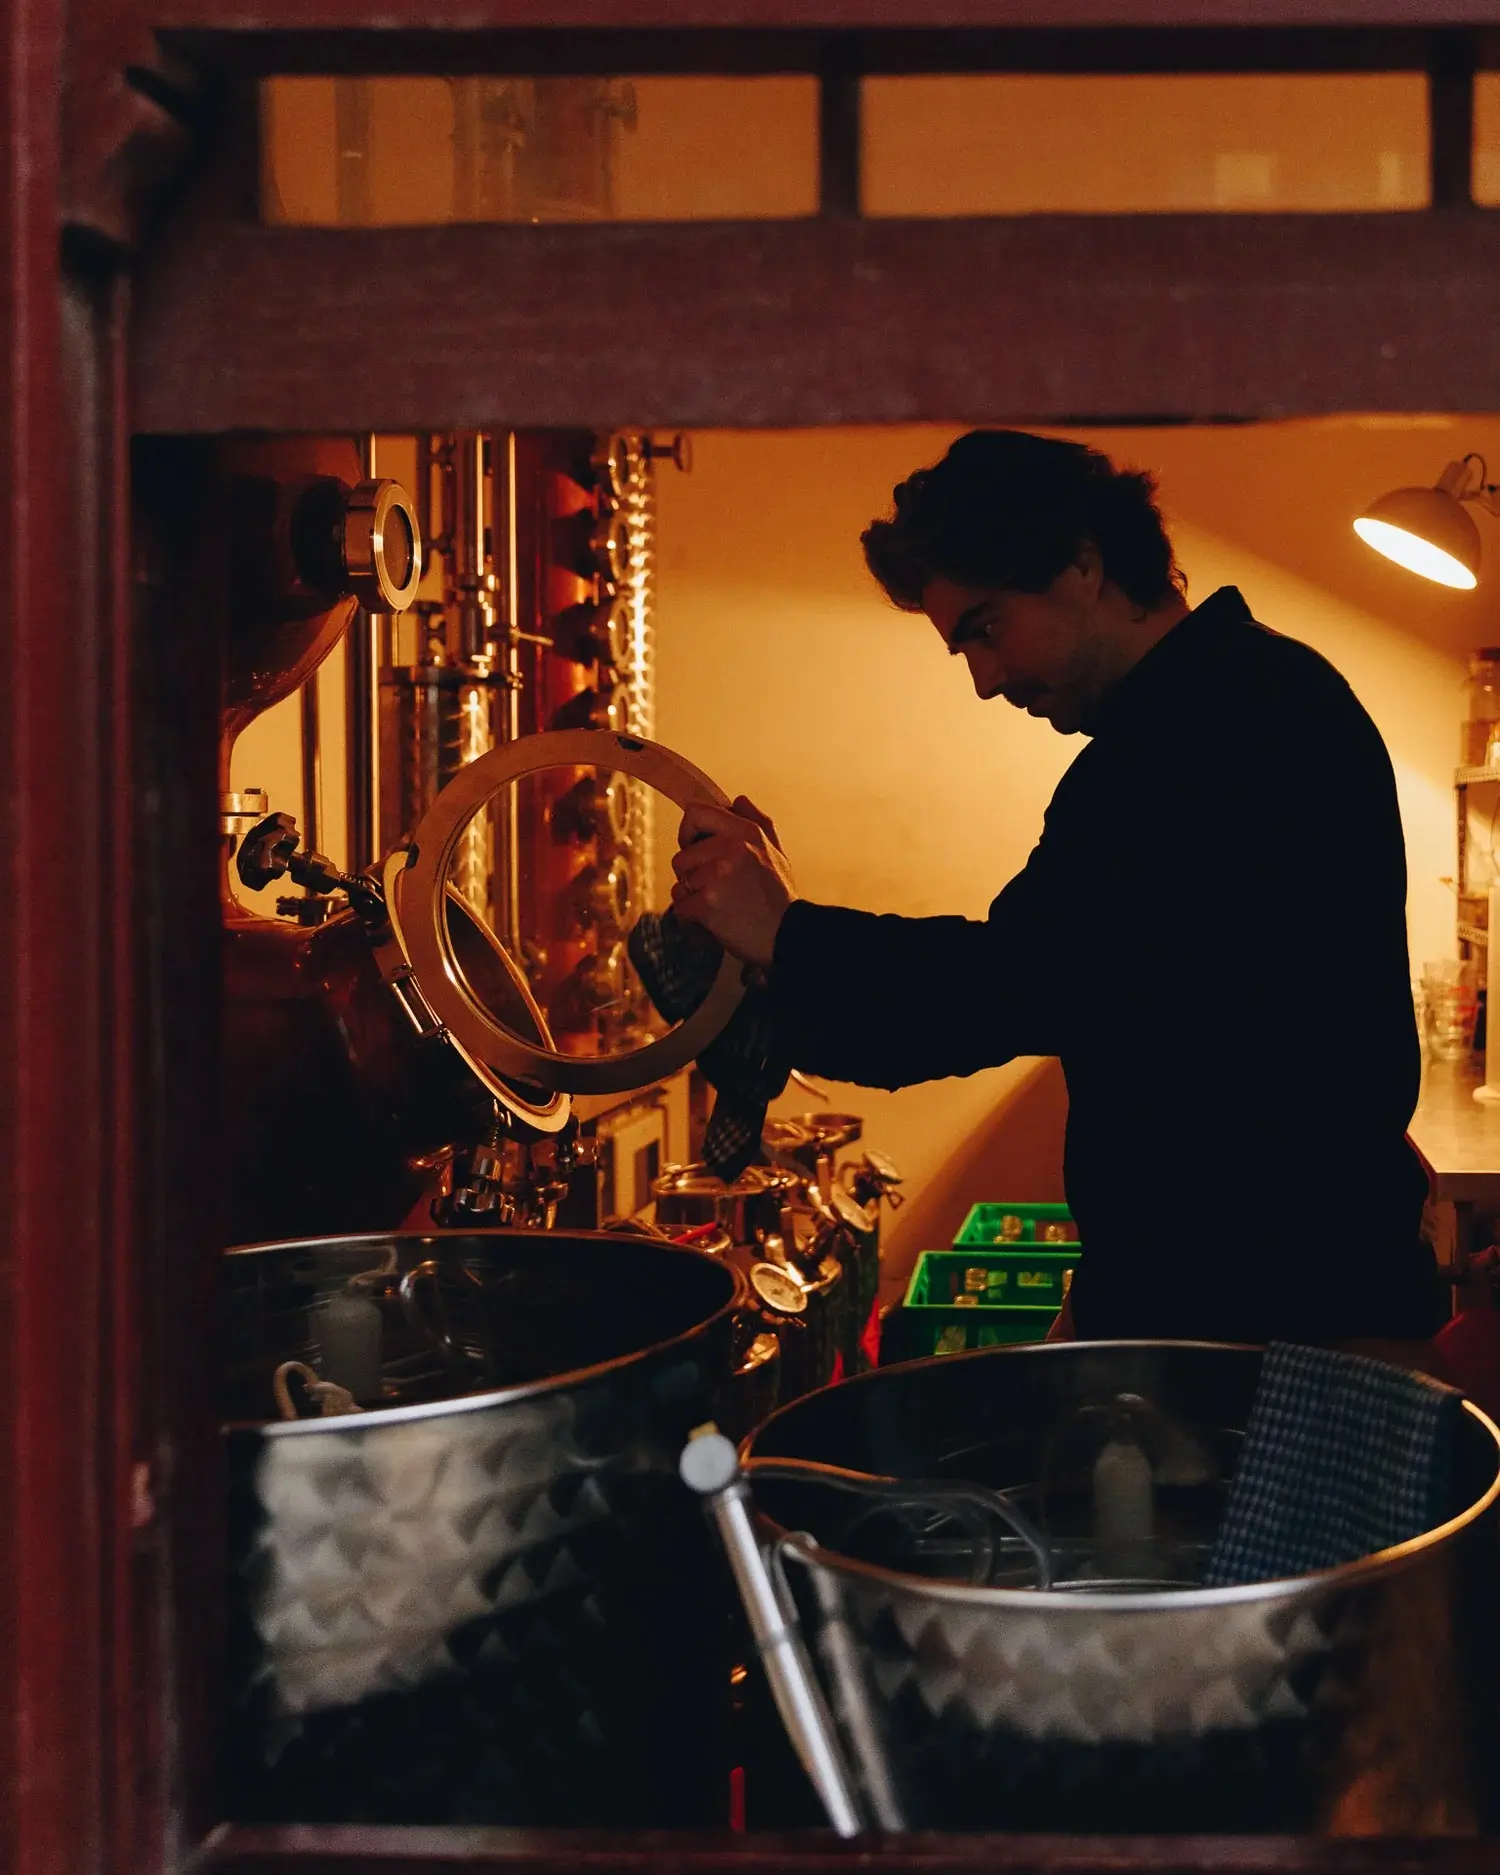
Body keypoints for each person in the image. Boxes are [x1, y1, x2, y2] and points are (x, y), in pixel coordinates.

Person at [670, 429, 1443, 1354]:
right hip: (1251, 1302)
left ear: (1083, 564)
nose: (986, 680)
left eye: (986, 628)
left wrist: (788, 935)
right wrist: (787, 935)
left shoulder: (1211, 731)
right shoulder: (1231, 701)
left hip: (1282, 1328)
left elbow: (1013, 984)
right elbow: (1069, 982)